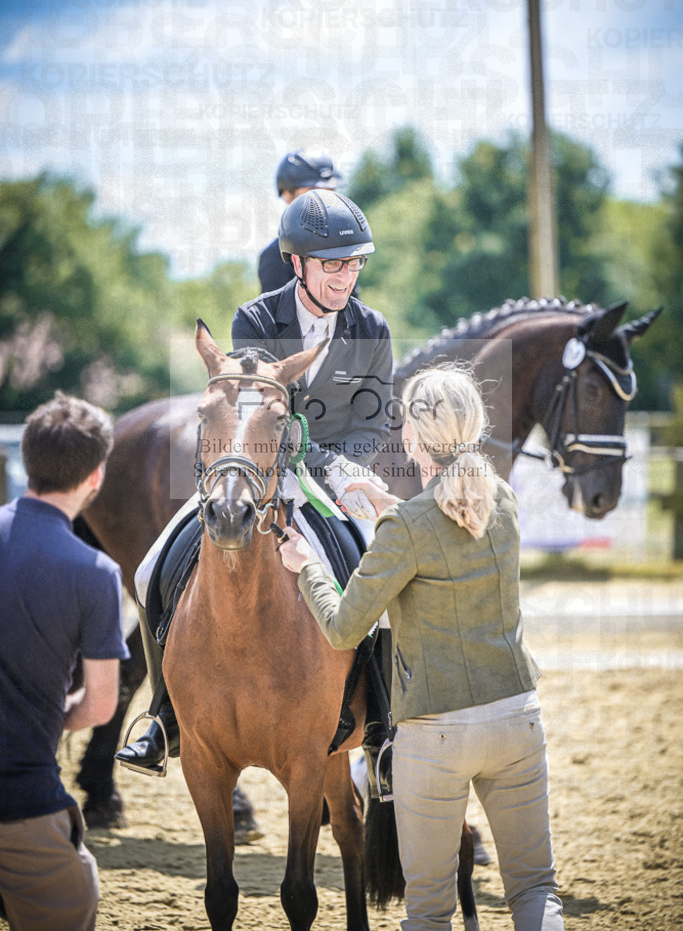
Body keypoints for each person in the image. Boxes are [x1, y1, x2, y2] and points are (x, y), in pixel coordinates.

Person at [116, 188, 394, 776]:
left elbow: (374, 415)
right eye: (332, 264)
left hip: (340, 475)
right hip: (259, 469)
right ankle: (163, 719)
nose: (345, 276)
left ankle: (382, 733)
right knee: (147, 571)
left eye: (354, 263)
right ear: (297, 263)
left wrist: (344, 470)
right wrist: (301, 459)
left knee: (387, 586)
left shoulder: (372, 327)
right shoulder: (257, 318)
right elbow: (256, 406)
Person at [279, 364, 564, 931]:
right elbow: (446, 533)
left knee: (430, 912)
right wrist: (390, 507)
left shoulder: (405, 528)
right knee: (535, 890)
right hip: (517, 717)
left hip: (435, 736)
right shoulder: (502, 501)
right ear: (475, 426)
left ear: (410, 436)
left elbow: (342, 628)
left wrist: (308, 567)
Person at [0, 392, 130, 931]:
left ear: (26, 460)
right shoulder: (96, 572)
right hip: (24, 803)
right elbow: (100, 706)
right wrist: (51, 715)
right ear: (96, 476)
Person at [258, 148, 342, 293]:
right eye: (313, 192)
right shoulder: (275, 257)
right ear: (287, 195)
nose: (324, 201)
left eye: (330, 192)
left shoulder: (342, 247)